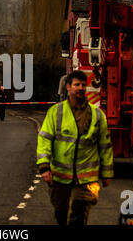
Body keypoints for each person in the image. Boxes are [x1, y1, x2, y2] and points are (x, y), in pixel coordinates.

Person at [36, 70, 113, 226]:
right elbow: (44, 139)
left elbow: (105, 146)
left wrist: (106, 173)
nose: (81, 88)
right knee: (61, 216)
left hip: (86, 180)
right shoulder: (55, 112)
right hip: (60, 178)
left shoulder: (97, 115)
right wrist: (44, 167)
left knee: (77, 217)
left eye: (83, 85)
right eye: (77, 84)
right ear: (68, 87)